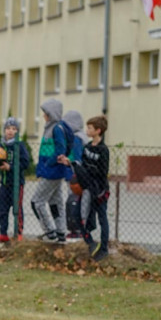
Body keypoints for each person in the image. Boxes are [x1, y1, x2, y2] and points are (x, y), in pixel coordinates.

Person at [60, 115, 110, 261]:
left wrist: (97, 189)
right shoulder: (87, 147)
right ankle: (91, 242)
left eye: (90, 128)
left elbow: (101, 172)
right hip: (86, 189)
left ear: (98, 130)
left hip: (99, 191)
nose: (87, 130)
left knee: (102, 219)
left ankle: (104, 248)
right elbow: (82, 166)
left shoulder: (103, 150)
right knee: (79, 216)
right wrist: (70, 163)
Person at [30, 99, 71, 243]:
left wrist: (49, 163)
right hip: (53, 171)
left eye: (45, 113)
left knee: (36, 202)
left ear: (51, 114)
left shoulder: (56, 129)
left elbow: (60, 150)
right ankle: (61, 233)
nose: (43, 116)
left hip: (52, 172)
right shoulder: (52, 127)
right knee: (55, 202)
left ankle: (50, 232)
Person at [0, 117, 31, 244]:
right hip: (4, 183)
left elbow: (25, 163)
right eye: (8, 128)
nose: (10, 131)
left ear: (17, 131)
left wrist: (10, 167)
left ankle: (18, 233)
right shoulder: (0, 146)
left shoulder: (19, 145)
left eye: (14, 129)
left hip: (17, 184)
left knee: (17, 210)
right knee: (3, 210)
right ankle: (3, 234)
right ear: (4, 130)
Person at [62, 110, 87, 239]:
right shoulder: (80, 137)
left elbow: (77, 159)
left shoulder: (77, 138)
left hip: (74, 176)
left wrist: (71, 167)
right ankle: (77, 228)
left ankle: (76, 229)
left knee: (74, 201)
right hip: (74, 174)